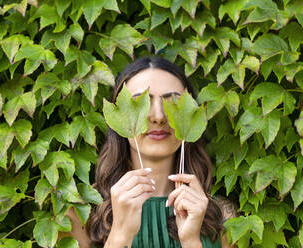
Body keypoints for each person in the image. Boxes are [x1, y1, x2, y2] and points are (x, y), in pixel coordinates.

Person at [63, 56, 237, 248]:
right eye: (141, 103)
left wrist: (191, 242)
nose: (158, 116)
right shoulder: (82, 214)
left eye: (173, 103)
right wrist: (120, 235)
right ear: (118, 118)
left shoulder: (221, 216)